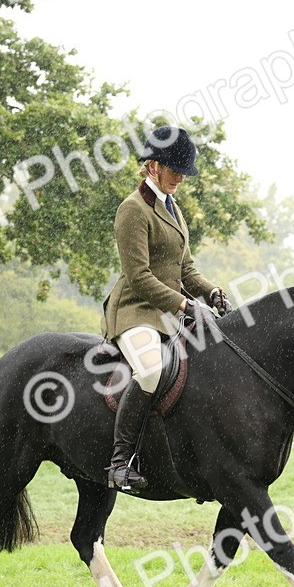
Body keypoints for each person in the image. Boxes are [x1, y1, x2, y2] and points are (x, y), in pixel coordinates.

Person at [100, 126, 232, 490]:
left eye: (184, 173)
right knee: (151, 370)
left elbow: (185, 267)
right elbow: (138, 276)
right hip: (135, 311)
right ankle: (120, 463)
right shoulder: (132, 209)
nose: (181, 179)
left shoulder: (173, 207)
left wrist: (211, 292)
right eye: (175, 171)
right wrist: (186, 304)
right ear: (154, 166)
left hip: (169, 315)